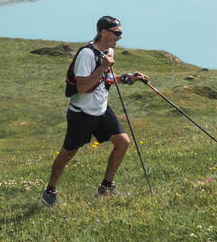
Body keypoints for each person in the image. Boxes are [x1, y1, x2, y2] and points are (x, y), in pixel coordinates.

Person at [40, 15, 147, 206]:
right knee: (68, 153)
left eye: (121, 33)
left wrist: (128, 78)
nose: (120, 37)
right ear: (103, 32)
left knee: (123, 142)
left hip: (101, 110)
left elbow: (105, 79)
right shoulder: (87, 54)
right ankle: (50, 190)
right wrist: (104, 66)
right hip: (82, 113)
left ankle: (106, 187)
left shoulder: (109, 50)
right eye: (117, 33)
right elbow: (82, 86)